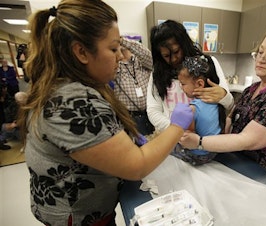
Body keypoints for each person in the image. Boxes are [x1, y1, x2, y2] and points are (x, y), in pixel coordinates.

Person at [17, 0, 193, 225]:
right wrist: (176, 126)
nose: (119, 56)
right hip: (79, 215)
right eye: (112, 49)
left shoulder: (69, 87)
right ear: (81, 52)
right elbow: (136, 166)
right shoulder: (71, 101)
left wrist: (122, 139)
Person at [179, 22, 266, 190]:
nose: (261, 59)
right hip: (237, 164)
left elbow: (246, 140)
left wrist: (199, 142)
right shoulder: (252, 89)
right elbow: (231, 119)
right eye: (260, 52)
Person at [147, 19, 234, 132]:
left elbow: (230, 104)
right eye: (166, 56)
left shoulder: (208, 63)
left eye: (176, 51)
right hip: (174, 139)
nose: (173, 59)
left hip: (207, 140)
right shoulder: (158, 73)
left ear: (184, 44)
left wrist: (224, 96)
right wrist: (178, 131)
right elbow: (153, 111)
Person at [172, 55, 225, 165]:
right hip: (213, 152)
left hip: (198, 156)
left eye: (183, 84)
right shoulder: (219, 102)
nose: (181, 88)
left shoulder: (192, 108)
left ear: (200, 84)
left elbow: (187, 139)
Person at [111, 37, 154, 135]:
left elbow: (146, 55)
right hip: (129, 117)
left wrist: (121, 40)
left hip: (149, 113)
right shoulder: (116, 66)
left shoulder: (142, 62)